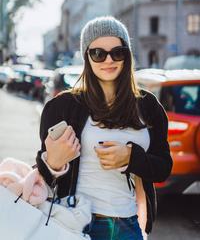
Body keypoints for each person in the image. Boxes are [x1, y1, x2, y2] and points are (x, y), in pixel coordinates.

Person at [36, 16, 173, 240]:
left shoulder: (148, 105)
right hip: (76, 222)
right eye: (98, 53)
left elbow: (163, 168)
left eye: (117, 52)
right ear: (86, 57)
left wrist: (132, 158)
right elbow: (45, 176)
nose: (109, 60)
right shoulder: (62, 106)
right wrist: (53, 163)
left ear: (127, 55)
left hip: (129, 225)